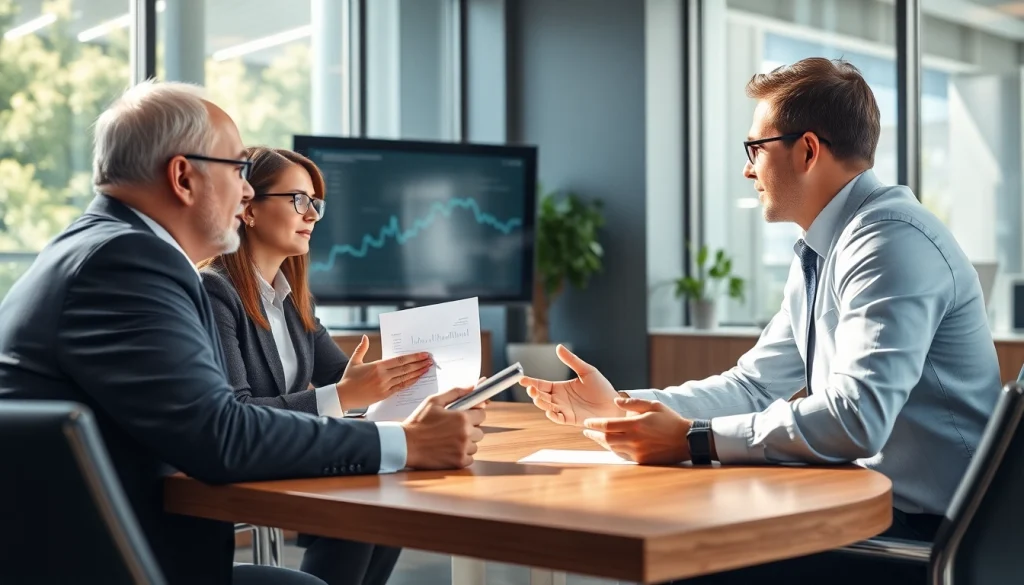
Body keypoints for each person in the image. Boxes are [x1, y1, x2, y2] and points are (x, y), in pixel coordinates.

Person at [522, 58, 1000, 584]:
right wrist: (628, 408)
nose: (747, 169)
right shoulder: (825, 247)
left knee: (691, 559)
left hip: (934, 540)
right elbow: (754, 386)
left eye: (755, 149)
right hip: (875, 512)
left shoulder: (889, 241)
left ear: (808, 150)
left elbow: (856, 419)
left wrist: (693, 439)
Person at [0, 80, 486, 585]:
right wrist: (405, 444)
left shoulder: (101, 247)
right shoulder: (128, 263)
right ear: (183, 177)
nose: (248, 189)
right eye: (238, 169)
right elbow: (223, 433)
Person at [198, 146, 424, 585]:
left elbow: (350, 381)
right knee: (366, 503)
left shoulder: (295, 301)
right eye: (299, 200)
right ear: (249, 208)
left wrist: (424, 389)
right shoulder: (214, 292)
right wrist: (343, 395)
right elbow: (238, 414)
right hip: (240, 466)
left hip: (286, 457)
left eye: (316, 204)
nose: (313, 216)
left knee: (387, 497)